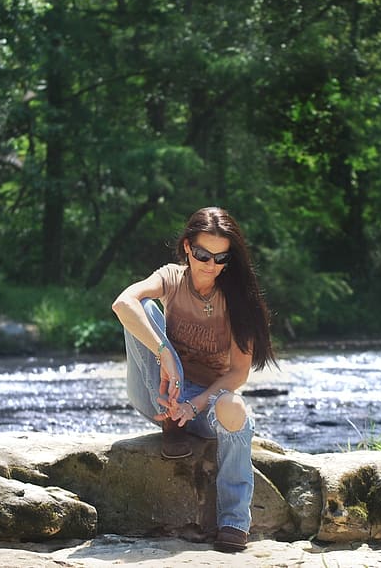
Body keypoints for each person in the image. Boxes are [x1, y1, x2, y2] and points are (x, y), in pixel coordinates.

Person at [111, 206, 276, 552]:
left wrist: (193, 404)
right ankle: (170, 422)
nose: (211, 265)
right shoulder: (171, 278)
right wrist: (164, 352)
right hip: (156, 389)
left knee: (233, 408)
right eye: (203, 255)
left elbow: (238, 373)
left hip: (202, 403)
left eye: (221, 258)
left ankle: (233, 521)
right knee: (142, 310)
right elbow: (122, 303)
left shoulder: (236, 299)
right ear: (187, 247)